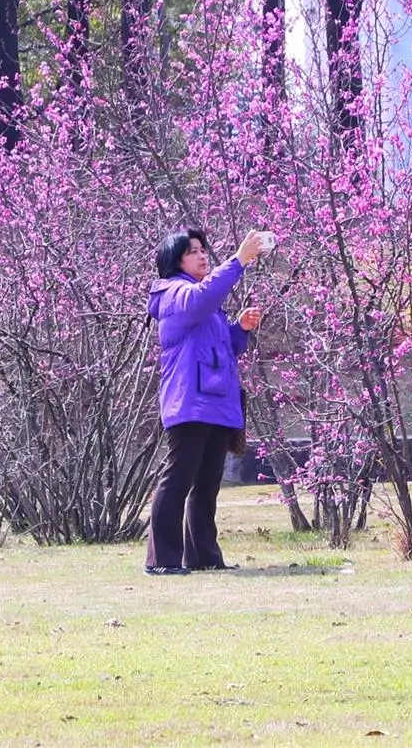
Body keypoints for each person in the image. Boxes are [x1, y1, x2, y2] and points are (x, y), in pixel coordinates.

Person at [144, 225, 269, 575]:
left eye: (203, 249)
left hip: (216, 403)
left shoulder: (209, 307)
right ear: (175, 260)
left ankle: (203, 557)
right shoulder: (172, 294)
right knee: (179, 479)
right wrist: (239, 260)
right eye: (192, 251)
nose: (202, 255)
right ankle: (163, 559)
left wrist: (239, 328)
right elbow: (201, 299)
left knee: (207, 485)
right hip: (188, 403)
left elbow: (225, 349)